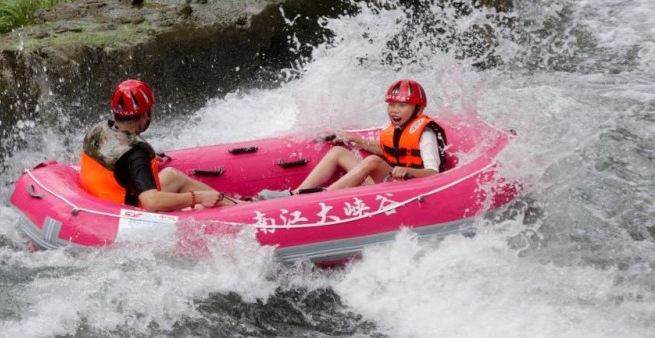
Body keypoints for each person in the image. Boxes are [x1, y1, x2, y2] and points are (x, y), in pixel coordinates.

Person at [259, 79, 447, 199]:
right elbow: (390, 150)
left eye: (402, 105)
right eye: (391, 105)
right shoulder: (396, 129)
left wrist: (406, 170)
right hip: (392, 180)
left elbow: (433, 173)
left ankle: (322, 198)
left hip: (409, 188)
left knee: (372, 161)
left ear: (419, 110)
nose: (395, 110)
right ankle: (295, 194)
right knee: (338, 152)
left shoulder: (425, 134)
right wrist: (354, 139)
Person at [80, 79, 233, 211]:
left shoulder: (100, 131)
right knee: (196, 200)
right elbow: (151, 201)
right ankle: (238, 208)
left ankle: (236, 205)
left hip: (104, 201)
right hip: (129, 214)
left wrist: (140, 164)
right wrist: (197, 197)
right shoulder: (135, 155)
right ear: (146, 114)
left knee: (172, 176)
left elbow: (116, 158)